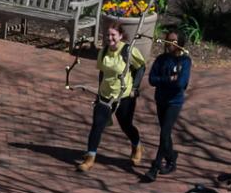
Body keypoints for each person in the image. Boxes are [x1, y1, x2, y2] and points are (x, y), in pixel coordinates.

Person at [76, 23, 147, 173]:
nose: (110, 38)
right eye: (107, 35)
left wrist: (134, 87)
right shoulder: (103, 52)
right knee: (97, 125)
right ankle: (90, 158)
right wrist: (99, 90)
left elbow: (141, 67)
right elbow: (102, 72)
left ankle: (137, 145)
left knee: (126, 125)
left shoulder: (128, 51)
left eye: (113, 35)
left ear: (120, 36)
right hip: (105, 96)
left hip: (124, 96)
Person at [143, 30, 191, 181]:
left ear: (180, 44)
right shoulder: (161, 59)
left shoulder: (185, 61)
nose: (169, 44)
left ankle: (155, 167)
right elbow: (152, 79)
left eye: (173, 41)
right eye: (168, 40)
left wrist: (166, 80)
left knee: (164, 133)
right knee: (166, 133)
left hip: (174, 103)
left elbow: (181, 84)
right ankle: (171, 157)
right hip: (161, 100)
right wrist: (169, 78)